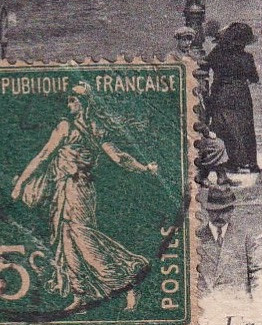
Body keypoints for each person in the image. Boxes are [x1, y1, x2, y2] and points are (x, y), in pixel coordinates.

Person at [10, 82, 160, 312]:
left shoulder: (87, 128)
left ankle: (126, 283)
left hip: (80, 189)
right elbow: (44, 156)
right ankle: (81, 293)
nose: (69, 104)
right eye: (69, 99)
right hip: (64, 189)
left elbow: (119, 157)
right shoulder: (70, 127)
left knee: (84, 239)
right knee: (66, 241)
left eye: (74, 100)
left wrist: (144, 168)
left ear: (84, 104)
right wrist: (21, 182)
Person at [200, 21, 262, 174]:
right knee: (245, 127)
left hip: (221, 92)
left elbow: (204, 66)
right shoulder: (247, 57)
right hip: (241, 94)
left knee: (224, 127)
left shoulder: (218, 53)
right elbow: (254, 78)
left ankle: (232, 161)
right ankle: (250, 162)